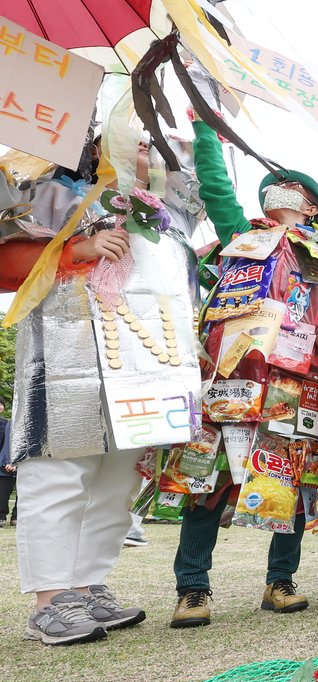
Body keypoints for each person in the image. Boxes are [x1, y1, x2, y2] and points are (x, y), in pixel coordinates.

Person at [169, 115, 318, 627]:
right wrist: (208, 130)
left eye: (296, 190)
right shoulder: (239, 235)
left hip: (298, 383)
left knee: (290, 480)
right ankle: (193, 589)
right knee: (210, 479)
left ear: (313, 210)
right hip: (234, 375)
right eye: (274, 186)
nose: (281, 189)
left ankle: (280, 581)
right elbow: (217, 185)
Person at [0, 131, 200, 645]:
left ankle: (89, 585)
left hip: (143, 361)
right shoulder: (40, 182)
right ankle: (50, 600)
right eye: (129, 138)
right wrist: (78, 248)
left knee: (118, 477)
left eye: (146, 145)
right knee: (59, 470)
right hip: (65, 350)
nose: (143, 151)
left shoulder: (164, 210)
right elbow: (7, 265)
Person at [0, 402, 15, 527]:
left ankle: (16, 517)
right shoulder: (9, 423)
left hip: (24, 464)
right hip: (6, 464)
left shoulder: (6, 422)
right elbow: (6, 445)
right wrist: (7, 461)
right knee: (2, 493)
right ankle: (1, 517)